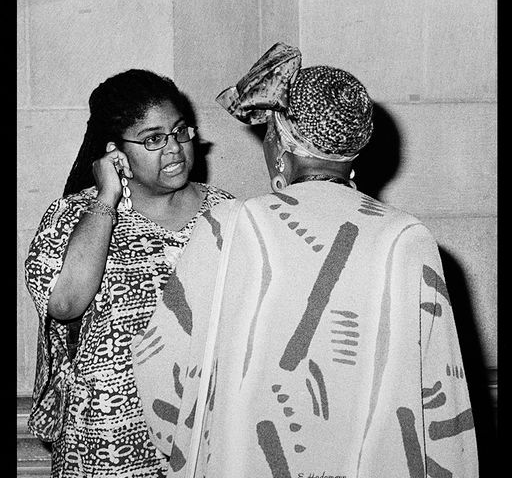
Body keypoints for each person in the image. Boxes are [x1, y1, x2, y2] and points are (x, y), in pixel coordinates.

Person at [132, 44, 478, 477]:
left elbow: (157, 363)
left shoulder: (228, 225)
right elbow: (444, 396)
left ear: (280, 144)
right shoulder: (407, 239)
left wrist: (195, 448)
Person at [24, 68, 233, 478]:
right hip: (105, 444)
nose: (174, 149)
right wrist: (107, 198)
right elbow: (64, 304)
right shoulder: (72, 217)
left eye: (179, 132)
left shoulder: (229, 215)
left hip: (201, 436)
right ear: (114, 152)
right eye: (153, 139)